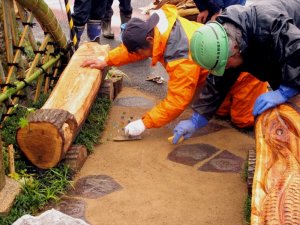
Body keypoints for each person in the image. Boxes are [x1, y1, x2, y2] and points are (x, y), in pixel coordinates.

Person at [81, 4, 267, 137]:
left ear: (149, 40)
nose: (139, 56)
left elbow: (177, 101)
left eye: (140, 52)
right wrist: (106, 60)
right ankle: (227, 101)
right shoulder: (159, 27)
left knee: (242, 120)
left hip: (243, 72)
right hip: (216, 70)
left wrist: (145, 123)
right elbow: (133, 51)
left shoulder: (180, 58)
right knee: (219, 110)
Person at [172, 0, 300, 144]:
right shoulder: (227, 38)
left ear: (235, 50)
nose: (226, 69)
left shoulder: (268, 25)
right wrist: (196, 119)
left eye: (225, 65)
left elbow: (296, 52)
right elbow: (218, 82)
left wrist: (286, 90)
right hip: (279, 56)